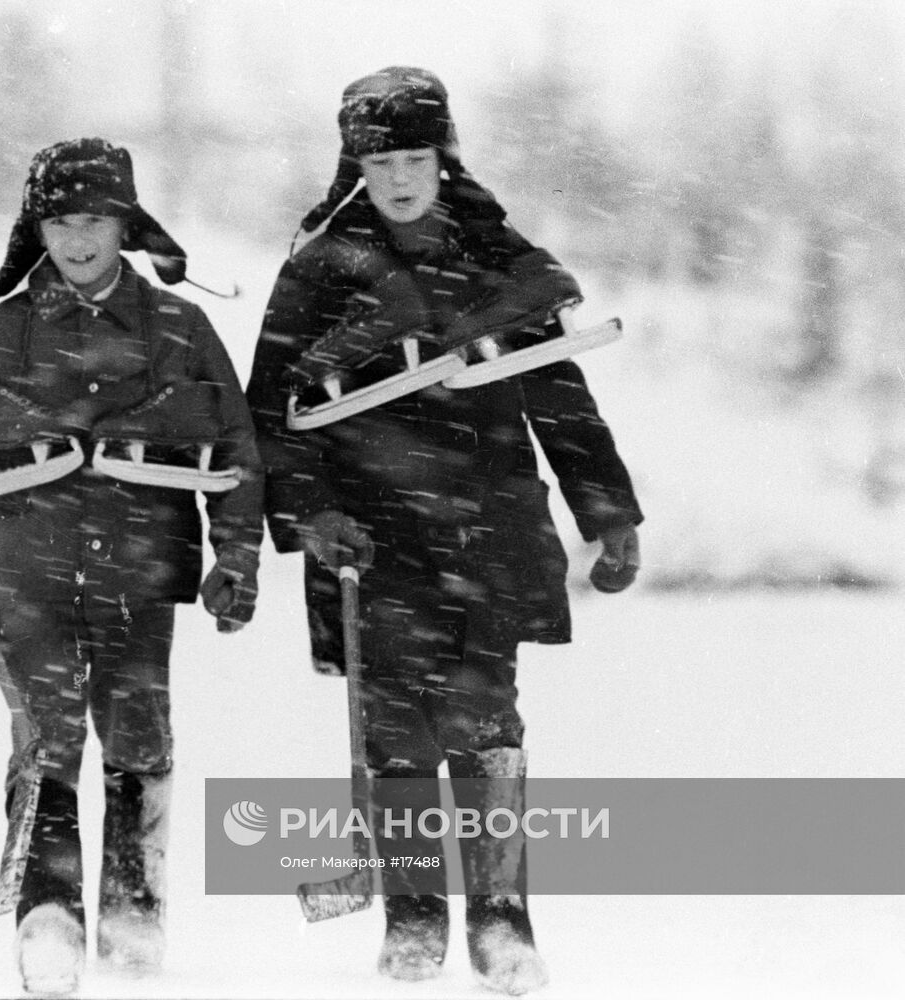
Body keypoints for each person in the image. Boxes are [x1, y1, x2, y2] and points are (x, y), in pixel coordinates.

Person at [245, 67, 643, 994]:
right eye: (381, 160)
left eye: (416, 156)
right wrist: (315, 512)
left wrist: (608, 513)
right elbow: (272, 408)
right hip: (374, 538)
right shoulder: (320, 269)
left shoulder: (497, 260)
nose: (399, 178)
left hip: (487, 527)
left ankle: (503, 924)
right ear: (356, 164)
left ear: (444, 156)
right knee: (395, 731)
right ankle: (413, 923)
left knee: (484, 718)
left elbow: (560, 391)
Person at [0, 138, 263, 996]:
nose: (77, 239)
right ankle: (48, 920)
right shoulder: (0, 333)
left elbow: (236, 451)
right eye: (59, 221)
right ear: (34, 228)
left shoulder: (179, 329)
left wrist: (238, 558)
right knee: (46, 736)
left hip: (140, 573)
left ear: (126, 225)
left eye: (94, 221)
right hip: (27, 572)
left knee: (138, 736)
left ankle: (134, 910)